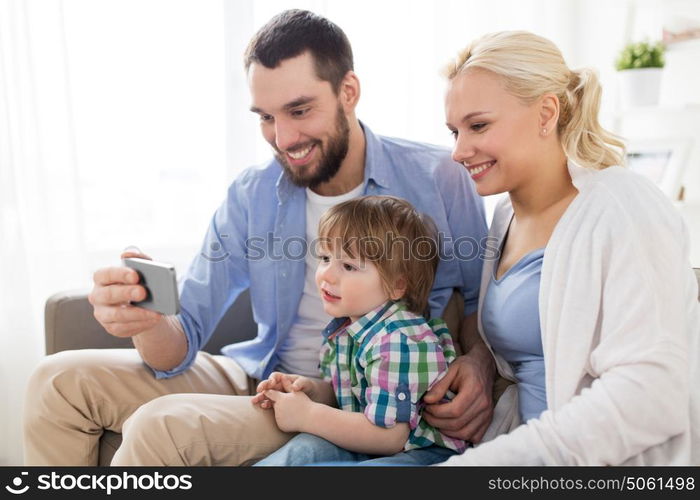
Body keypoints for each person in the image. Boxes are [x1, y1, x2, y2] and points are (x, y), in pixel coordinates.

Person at [23, 10, 493, 466]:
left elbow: (479, 307)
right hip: (258, 376)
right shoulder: (252, 194)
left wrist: (479, 366)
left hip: (347, 397)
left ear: (348, 91)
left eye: (299, 110)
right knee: (55, 380)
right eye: (265, 117)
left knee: (162, 424)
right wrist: (145, 320)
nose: (282, 137)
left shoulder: (439, 177)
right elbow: (181, 339)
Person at [437, 30, 700, 465]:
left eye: (478, 125)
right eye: (454, 131)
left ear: (546, 113)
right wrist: (481, 360)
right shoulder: (505, 216)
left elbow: (650, 396)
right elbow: (528, 340)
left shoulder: (624, 207)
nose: (459, 151)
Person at [253, 196, 467, 466]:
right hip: (368, 439)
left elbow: (390, 437)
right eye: (325, 257)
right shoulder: (345, 330)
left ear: (397, 286)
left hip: (421, 452)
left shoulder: (398, 340)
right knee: (300, 451)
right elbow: (351, 395)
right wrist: (310, 391)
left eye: (349, 266)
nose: (326, 275)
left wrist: (308, 415)